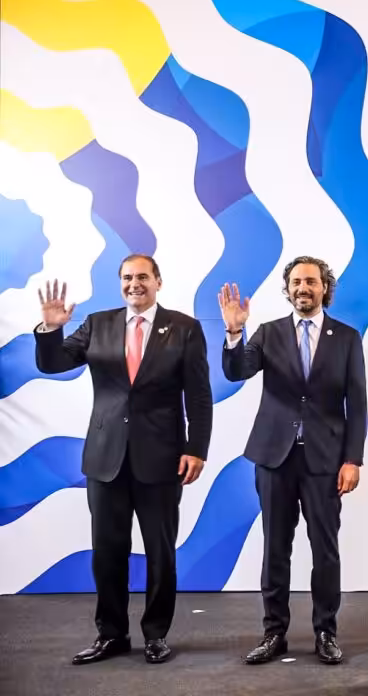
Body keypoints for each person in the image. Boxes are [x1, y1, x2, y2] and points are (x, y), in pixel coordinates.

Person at [34, 255, 213, 665]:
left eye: (143, 277)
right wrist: (50, 329)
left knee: (160, 551)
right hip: (105, 458)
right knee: (107, 550)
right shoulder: (98, 324)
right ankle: (111, 634)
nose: (135, 284)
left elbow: (199, 397)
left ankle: (155, 635)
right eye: (128, 278)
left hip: (164, 458)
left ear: (158, 282)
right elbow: (52, 362)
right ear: (120, 284)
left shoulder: (184, 328)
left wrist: (196, 449)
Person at [220, 256, 366, 665]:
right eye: (297, 282)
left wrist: (352, 459)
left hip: (325, 460)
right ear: (288, 289)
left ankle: (326, 632)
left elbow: (358, 404)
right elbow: (237, 372)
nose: (304, 288)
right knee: (275, 549)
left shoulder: (348, 338)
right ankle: (274, 633)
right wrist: (234, 331)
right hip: (274, 458)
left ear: (325, 288)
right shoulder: (267, 333)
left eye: (311, 282)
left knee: (325, 549)